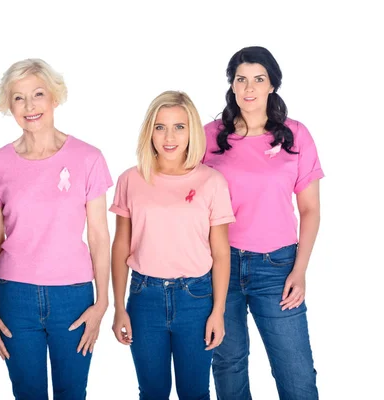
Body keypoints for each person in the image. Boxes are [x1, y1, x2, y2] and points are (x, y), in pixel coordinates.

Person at [0, 58, 112, 400]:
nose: (30, 106)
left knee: (73, 392)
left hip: (73, 296)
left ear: (55, 97)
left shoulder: (89, 158)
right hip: (16, 297)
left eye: (38, 94)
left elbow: (99, 236)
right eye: (19, 98)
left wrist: (103, 302)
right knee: (27, 393)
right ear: (8, 106)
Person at [203, 46, 323, 399]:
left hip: (277, 267)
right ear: (232, 85)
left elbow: (311, 209)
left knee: (296, 372)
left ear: (273, 85)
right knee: (228, 365)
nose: (249, 88)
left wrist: (299, 270)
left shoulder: (296, 134)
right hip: (219, 264)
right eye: (241, 79)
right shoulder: (209, 135)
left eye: (259, 79)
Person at [110, 91, 234, 400]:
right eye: (160, 126)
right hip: (144, 298)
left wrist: (218, 312)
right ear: (149, 130)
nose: (169, 137)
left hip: (196, 299)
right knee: (152, 392)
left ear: (191, 131)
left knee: (194, 392)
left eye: (179, 127)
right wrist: (118, 307)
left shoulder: (212, 181)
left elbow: (220, 252)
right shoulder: (131, 179)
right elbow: (121, 245)